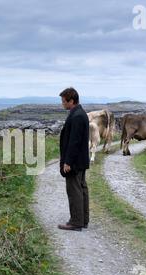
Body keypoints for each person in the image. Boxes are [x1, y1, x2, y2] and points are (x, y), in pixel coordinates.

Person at [58, 88, 90, 231]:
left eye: (64, 101)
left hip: (75, 162)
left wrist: (68, 162)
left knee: (74, 190)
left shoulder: (76, 116)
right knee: (82, 189)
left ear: (71, 101)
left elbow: (74, 142)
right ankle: (83, 219)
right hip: (81, 160)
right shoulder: (80, 113)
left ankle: (76, 222)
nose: (62, 104)